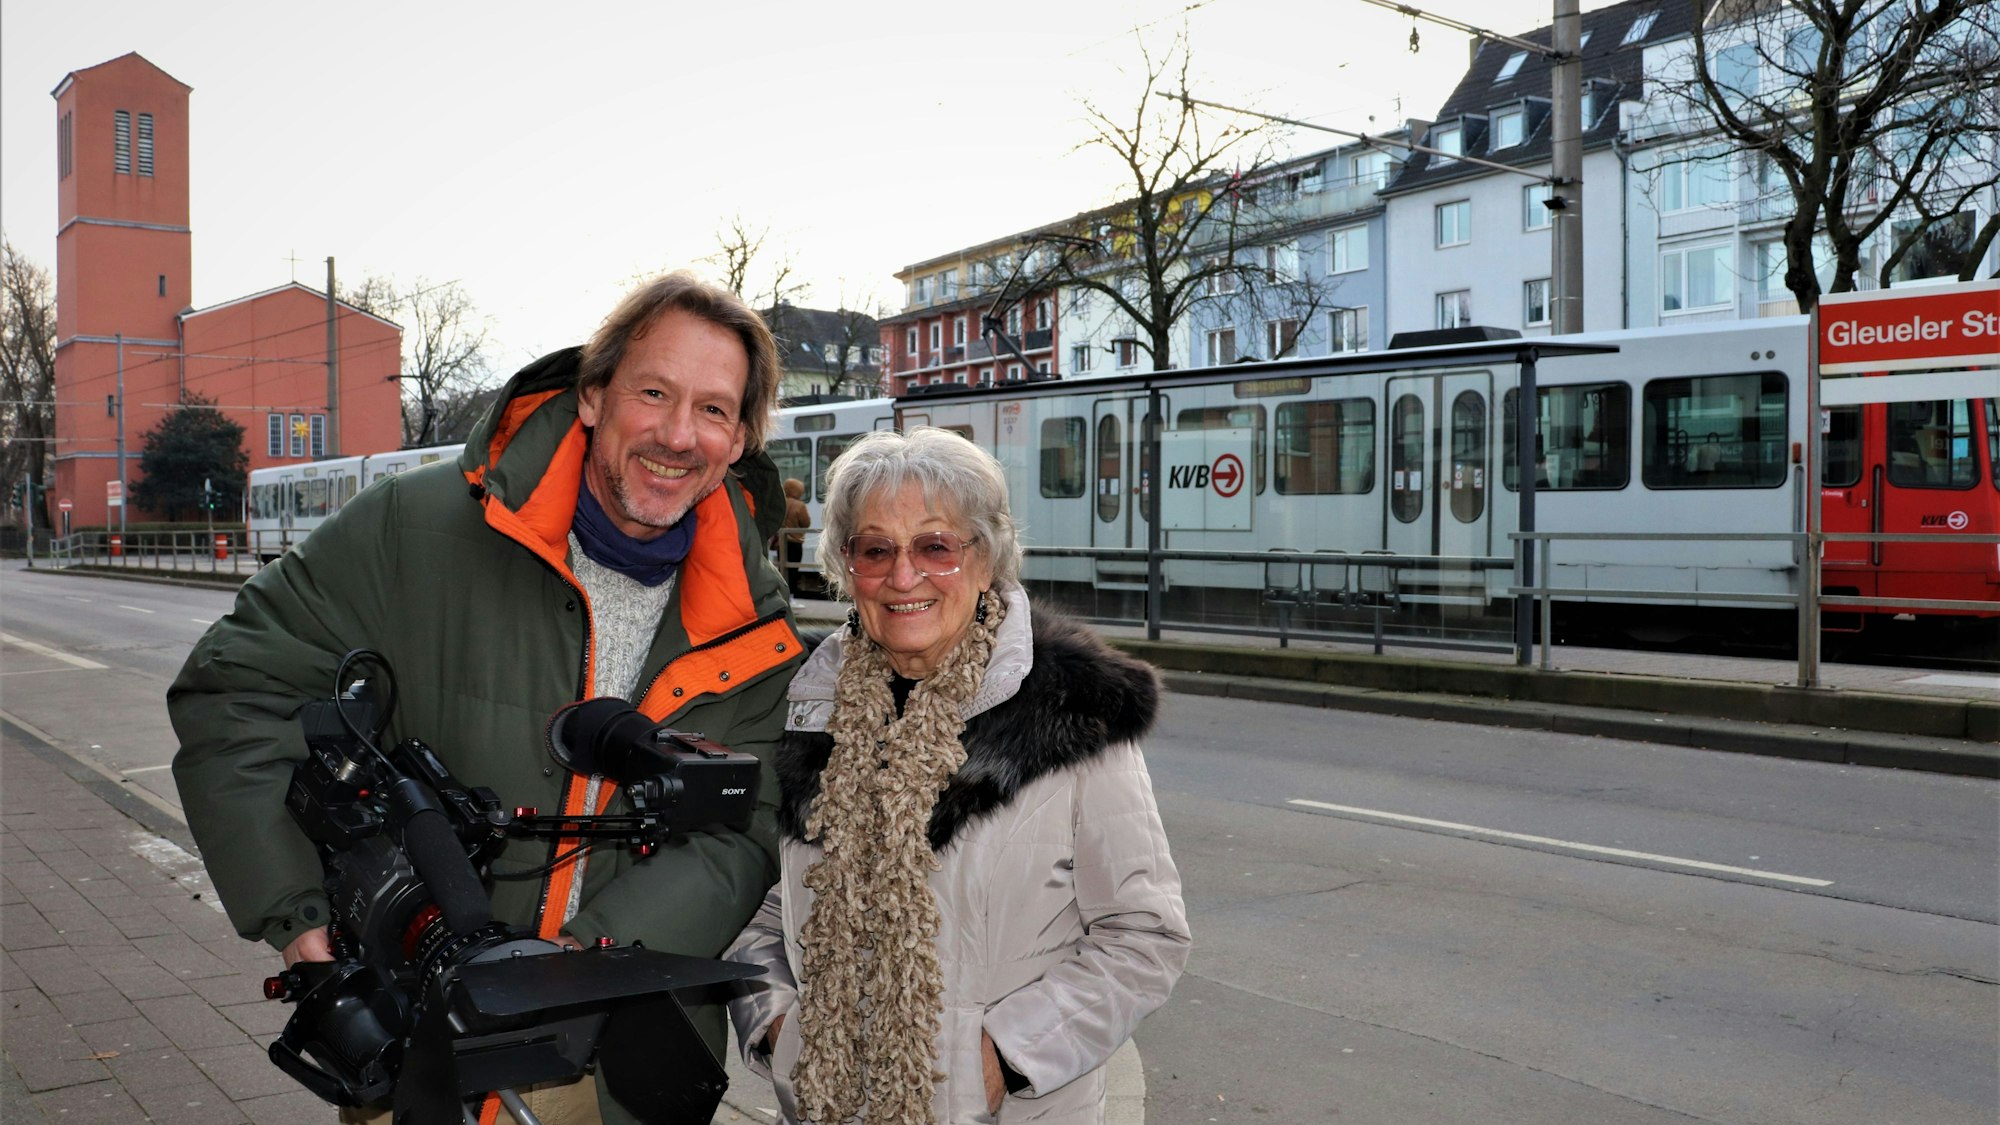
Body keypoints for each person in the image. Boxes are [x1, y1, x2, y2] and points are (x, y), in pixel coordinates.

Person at [168, 271, 804, 1123]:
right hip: (419, 1037)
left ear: (739, 440)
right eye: (653, 392)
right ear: (592, 395)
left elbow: (744, 826)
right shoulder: (412, 528)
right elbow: (235, 687)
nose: (678, 434)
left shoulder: (757, 620)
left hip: (619, 1057)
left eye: (715, 410)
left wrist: (576, 962)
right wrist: (298, 914)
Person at [724, 427, 1190, 1124]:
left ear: (985, 557)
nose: (903, 575)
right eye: (875, 548)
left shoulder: (1073, 714)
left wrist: (1004, 1057)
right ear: (847, 566)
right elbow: (764, 908)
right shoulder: (811, 710)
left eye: (935, 545)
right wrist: (778, 1028)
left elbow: (1143, 934)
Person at [780, 476, 812, 598]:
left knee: (783, 570)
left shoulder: (780, 502)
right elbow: (806, 523)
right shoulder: (799, 505)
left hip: (781, 543)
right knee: (793, 570)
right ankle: (791, 597)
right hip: (795, 542)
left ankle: (783, 596)